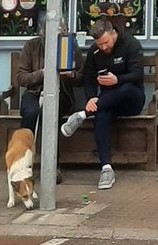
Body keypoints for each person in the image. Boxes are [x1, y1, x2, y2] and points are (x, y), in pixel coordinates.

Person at [60, 16, 145, 190]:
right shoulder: (94, 52)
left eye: (106, 42)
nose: (104, 47)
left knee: (126, 87)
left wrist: (117, 80)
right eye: (100, 44)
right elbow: (89, 80)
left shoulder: (131, 44)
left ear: (113, 33)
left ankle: (83, 114)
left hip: (132, 99)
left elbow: (137, 74)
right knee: (101, 114)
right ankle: (106, 168)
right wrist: (91, 98)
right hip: (106, 103)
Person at [16, 13, 82, 184]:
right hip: (34, 93)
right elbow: (21, 78)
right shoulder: (31, 46)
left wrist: (71, 75)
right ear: (43, 31)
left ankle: (53, 167)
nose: (59, 33)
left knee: (49, 114)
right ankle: (23, 166)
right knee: (30, 113)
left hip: (62, 94)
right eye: (54, 31)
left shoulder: (71, 46)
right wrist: (42, 73)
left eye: (62, 30)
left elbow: (82, 77)